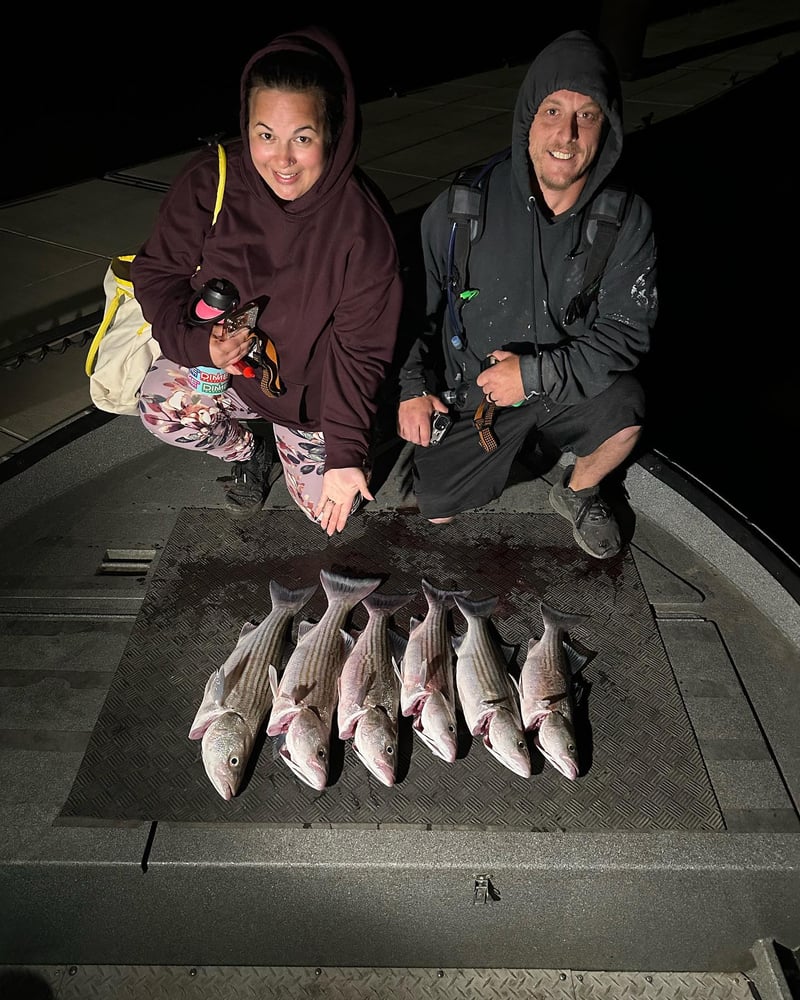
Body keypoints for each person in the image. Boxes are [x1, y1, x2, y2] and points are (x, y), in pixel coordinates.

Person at [396, 29, 658, 559]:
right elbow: (411, 310)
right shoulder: (459, 207)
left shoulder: (627, 217)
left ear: (607, 127)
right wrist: (410, 385)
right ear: (528, 121)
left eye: (587, 116)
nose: (567, 133)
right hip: (478, 391)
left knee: (627, 411)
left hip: (567, 383)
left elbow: (628, 332)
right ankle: (517, 447)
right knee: (435, 504)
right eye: (553, 112)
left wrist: (535, 375)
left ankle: (579, 488)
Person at [131, 25, 403, 536]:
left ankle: (325, 440)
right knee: (160, 409)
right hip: (227, 374)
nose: (282, 159)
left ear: (334, 132)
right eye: (265, 135)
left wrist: (346, 453)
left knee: (335, 513)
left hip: (310, 398)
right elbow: (157, 273)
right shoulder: (209, 181)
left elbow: (360, 350)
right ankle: (250, 450)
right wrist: (196, 343)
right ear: (247, 126)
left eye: (302, 137)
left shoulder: (364, 228)